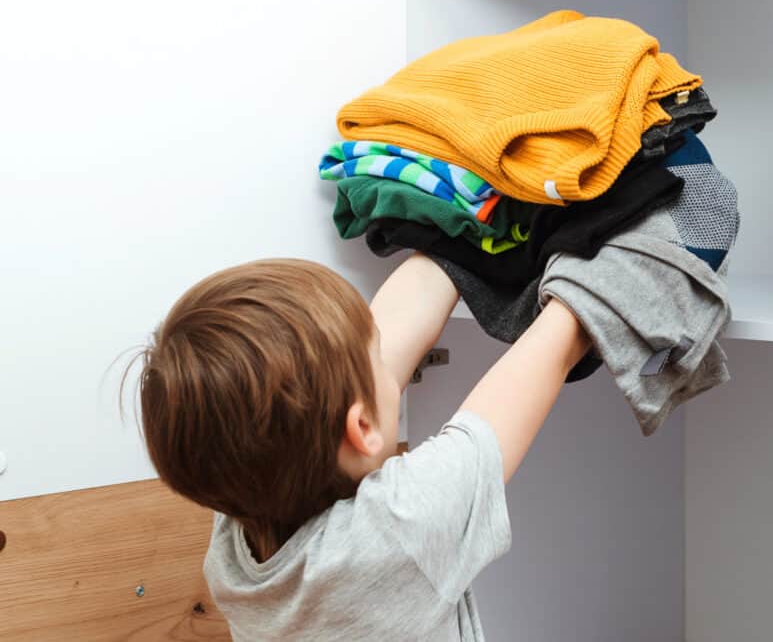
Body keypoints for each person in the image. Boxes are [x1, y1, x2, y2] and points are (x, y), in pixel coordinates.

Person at [131, 253, 590, 640]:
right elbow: (553, 347)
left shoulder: (234, 544)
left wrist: (455, 239)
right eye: (378, 356)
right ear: (362, 424)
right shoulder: (397, 527)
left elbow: (394, 324)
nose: (388, 361)